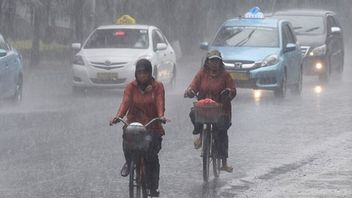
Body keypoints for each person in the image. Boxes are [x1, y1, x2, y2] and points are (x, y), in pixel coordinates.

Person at [110, 59, 166, 197]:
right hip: (134, 124)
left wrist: (161, 116)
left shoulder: (157, 86)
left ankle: (153, 187)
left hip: (152, 125)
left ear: (150, 73)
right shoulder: (131, 87)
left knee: (151, 157)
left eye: (145, 73)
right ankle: (129, 163)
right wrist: (118, 116)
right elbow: (125, 103)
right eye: (139, 73)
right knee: (127, 142)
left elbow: (160, 102)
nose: (142, 76)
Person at [184, 50, 236, 173]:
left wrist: (229, 93)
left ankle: (224, 162)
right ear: (207, 62)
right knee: (193, 114)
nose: (214, 63)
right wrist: (189, 91)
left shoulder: (225, 75)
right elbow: (193, 86)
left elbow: (233, 90)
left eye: (216, 61)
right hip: (203, 109)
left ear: (220, 62)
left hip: (221, 110)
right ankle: (201, 135)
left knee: (222, 132)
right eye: (212, 61)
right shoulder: (201, 74)